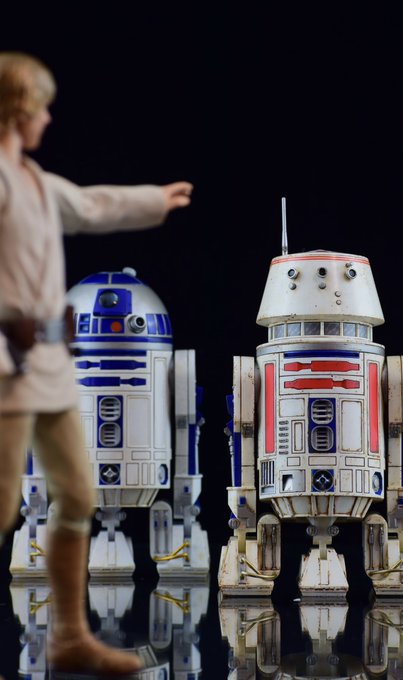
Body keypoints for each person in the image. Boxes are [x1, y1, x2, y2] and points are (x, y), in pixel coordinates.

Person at [0, 51, 193, 675]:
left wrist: (154, 201)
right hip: (9, 365)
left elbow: (90, 206)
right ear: (18, 110)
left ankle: (68, 636)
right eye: (42, 108)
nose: (49, 119)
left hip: (50, 367)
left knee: (78, 494)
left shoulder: (32, 180)